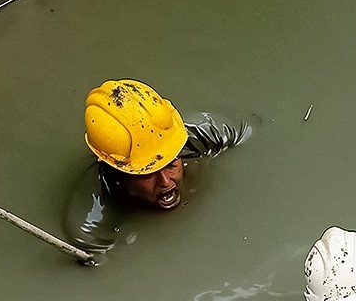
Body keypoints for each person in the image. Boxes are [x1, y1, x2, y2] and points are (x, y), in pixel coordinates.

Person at [64, 78, 248, 251]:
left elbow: (241, 130)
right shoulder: (98, 207)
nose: (167, 182)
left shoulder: (198, 136)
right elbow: (90, 242)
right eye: (147, 173)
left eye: (171, 163)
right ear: (117, 172)